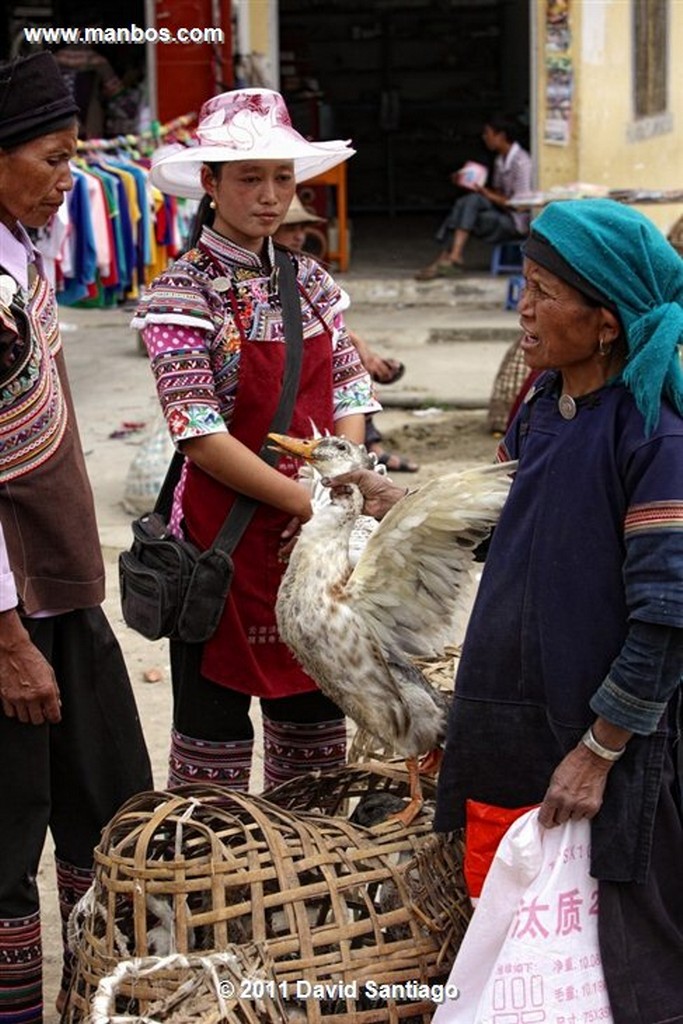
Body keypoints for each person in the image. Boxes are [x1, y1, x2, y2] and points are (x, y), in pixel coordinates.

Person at [331, 199, 683, 1023]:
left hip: (606, 751)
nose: (519, 308)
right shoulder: (541, 407)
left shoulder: (653, 435)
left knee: (618, 962)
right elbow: (508, 526)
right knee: (517, 946)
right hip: (509, 724)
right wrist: (398, 500)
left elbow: (667, 616)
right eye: (521, 284)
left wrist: (598, 752)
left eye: (541, 291)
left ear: (605, 321)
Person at [133, 87, 380, 795]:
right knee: (212, 739)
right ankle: (218, 889)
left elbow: (350, 392)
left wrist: (336, 497)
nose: (269, 196)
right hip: (220, 544)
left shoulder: (311, 281)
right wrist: (313, 508)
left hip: (312, 536)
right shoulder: (182, 291)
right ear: (209, 184)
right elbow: (198, 433)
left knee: (314, 726)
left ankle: (301, 887)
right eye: (248, 178)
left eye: (281, 177)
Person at [0, 51, 153, 1022]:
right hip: (14, 615)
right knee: (8, 842)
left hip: (60, 592)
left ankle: (91, 1002)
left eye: (74, 156)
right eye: (53, 158)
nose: (69, 179)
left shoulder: (28, 253)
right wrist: (7, 639)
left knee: (111, 806)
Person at [274, 194, 419, 472]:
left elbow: (332, 332)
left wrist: (360, 348)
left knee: (353, 377)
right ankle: (371, 449)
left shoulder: (310, 276)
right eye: (290, 228)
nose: (299, 236)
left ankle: (368, 449)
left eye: (302, 228)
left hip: (331, 403)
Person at [415, 114, 532, 279]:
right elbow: (498, 193)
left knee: (467, 207)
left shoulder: (522, 162)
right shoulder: (500, 160)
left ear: (501, 136)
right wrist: (470, 183)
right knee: (466, 202)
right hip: (501, 213)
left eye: (488, 133)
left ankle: (448, 256)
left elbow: (520, 205)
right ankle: (452, 256)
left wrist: (486, 193)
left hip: (515, 223)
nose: (484, 137)